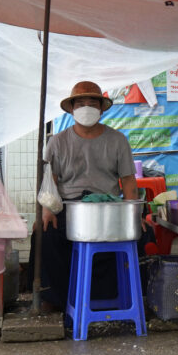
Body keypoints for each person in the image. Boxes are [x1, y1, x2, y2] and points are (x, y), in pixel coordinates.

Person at [29, 81, 139, 312]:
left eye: (92, 103)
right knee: (44, 234)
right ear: (71, 108)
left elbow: (128, 182)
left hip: (107, 209)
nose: (86, 107)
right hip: (69, 208)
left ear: (101, 108)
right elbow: (50, 182)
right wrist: (46, 211)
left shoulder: (118, 140)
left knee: (141, 237)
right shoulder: (57, 142)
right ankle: (54, 299)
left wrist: (134, 215)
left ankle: (116, 295)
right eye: (81, 103)